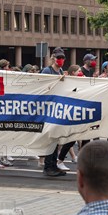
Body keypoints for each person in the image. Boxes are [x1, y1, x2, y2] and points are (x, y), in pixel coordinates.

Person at [40, 47, 67, 177]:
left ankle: (53, 165)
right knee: (50, 139)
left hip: (56, 108)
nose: (60, 60)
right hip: (48, 108)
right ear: (53, 58)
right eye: (58, 58)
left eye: (62, 58)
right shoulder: (47, 71)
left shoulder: (60, 71)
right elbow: (42, 87)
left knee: (55, 138)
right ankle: (48, 166)